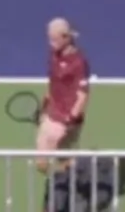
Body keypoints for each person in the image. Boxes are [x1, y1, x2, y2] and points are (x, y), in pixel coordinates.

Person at [37, 17, 90, 173]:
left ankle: (70, 181)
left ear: (66, 38)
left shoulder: (79, 62)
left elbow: (82, 96)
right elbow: (53, 83)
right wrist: (44, 108)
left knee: (65, 165)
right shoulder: (53, 55)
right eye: (49, 39)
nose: (50, 43)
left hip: (67, 119)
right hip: (51, 116)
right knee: (41, 164)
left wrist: (69, 122)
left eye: (54, 40)